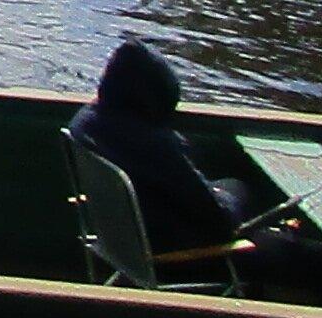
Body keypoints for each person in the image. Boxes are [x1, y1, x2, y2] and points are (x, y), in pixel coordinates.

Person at [70, 37, 272, 276]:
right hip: (167, 250)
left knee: (232, 187)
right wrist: (226, 202)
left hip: (120, 236)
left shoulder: (84, 123)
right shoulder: (151, 144)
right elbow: (221, 221)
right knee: (242, 194)